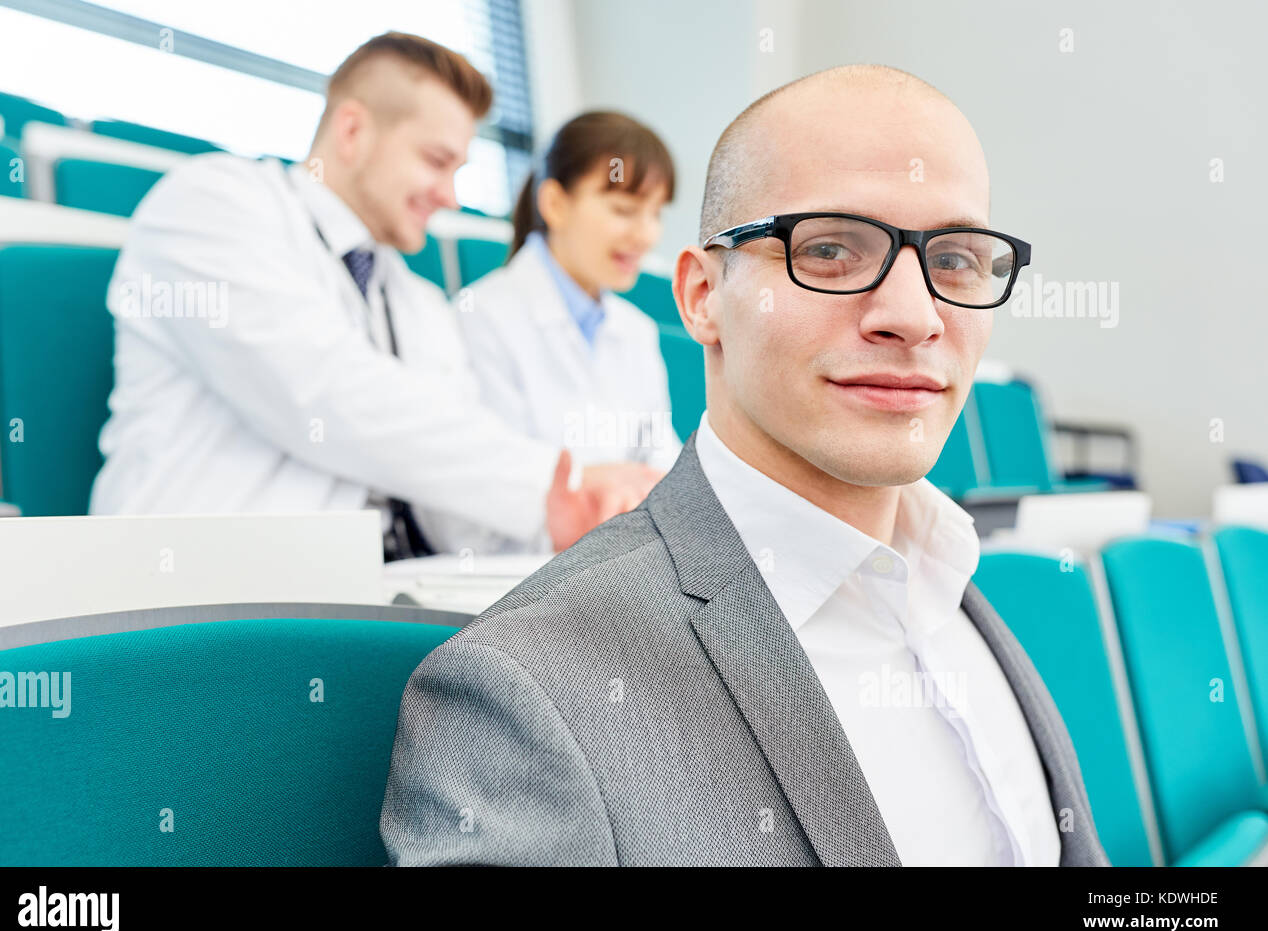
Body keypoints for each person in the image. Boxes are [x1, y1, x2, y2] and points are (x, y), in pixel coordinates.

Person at [380, 65, 1109, 866]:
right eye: (830, 248)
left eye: (960, 260)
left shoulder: (965, 597)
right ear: (700, 296)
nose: (914, 316)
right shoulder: (528, 693)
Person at [89, 32, 660, 558]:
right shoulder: (213, 205)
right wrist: (557, 485)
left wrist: (589, 515)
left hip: (359, 597)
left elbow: (454, 485)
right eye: (436, 162)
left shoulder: (416, 303)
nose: (450, 197)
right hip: (190, 600)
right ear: (352, 131)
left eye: (459, 169)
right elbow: (326, 392)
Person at [455, 113, 682, 555]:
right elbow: (484, 488)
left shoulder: (635, 330)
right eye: (624, 210)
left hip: (622, 567)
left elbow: (663, 468)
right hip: (520, 576)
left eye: (655, 214)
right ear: (556, 204)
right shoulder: (481, 316)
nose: (646, 233)